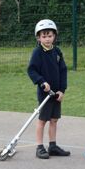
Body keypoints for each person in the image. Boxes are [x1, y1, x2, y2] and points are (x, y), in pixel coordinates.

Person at [27, 19, 69, 159]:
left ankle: (52, 146)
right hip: (45, 93)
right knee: (43, 120)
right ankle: (39, 147)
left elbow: (63, 71)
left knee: (54, 119)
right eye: (44, 36)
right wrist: (42, 82)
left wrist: (62, 90)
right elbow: (32, 70)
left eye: (49, 36)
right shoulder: (37, 53)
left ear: (54, 36)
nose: (47, 39)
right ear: (38, 38)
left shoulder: (57, 52)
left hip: (56, 93)